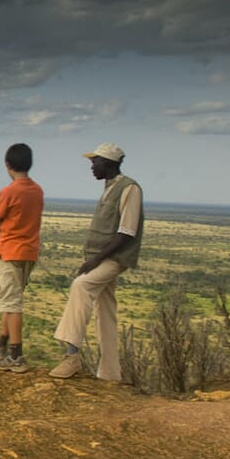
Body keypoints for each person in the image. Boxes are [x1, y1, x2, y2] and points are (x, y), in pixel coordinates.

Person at [50, 143, 143, 381]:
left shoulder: (129, 188)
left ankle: (72, 356)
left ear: (109, 163)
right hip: (101, 258)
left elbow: (127, 232)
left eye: (96, 161)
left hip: (113, 258)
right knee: (106, 312)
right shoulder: (110, 188)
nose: (92, 166)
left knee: (80, 286)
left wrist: (96, 260)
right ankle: (111, 374)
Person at [0, 143, 44, 372]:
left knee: (11, 303)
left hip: (10, 251)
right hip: (29, 252)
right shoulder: (37, 190)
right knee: (11, 301)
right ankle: (1, 345)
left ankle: (16, 355)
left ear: (8, 165)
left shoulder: (9, 191)